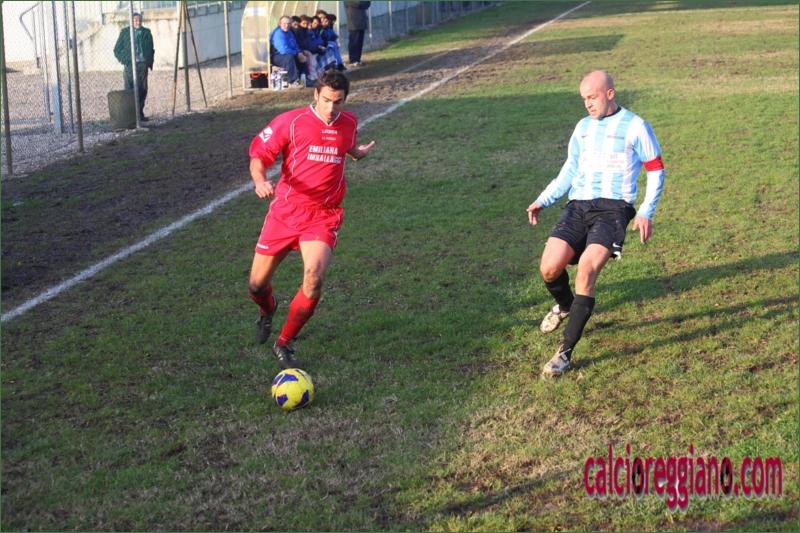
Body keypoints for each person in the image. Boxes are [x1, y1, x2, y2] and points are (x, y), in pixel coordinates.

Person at [526, 70, 665, 378]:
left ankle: (564, 354)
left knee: (586, 273)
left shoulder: (636, 126)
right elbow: (570, 168)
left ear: (609, 94)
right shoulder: (583, 127)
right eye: (584, 99)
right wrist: (543, 199)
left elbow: (656, 169)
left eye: (592, 97)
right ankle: (566, 306)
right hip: (578, 207)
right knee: (549, 268)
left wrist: (646, 211)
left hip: (614, 211)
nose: (587, 104)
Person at [247, 70, 376, 370]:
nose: (331, 108)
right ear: (315, 94)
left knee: (314, 279)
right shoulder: (290, 122)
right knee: (256, 286)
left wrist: (359, 153)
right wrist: (260, 181)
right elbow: (259, 157)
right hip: (286, 212)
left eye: (338, 102)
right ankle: (268, 308)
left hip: (323, 215)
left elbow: (347, 147)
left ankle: (284, 342)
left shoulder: (349, 122)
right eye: (326, 100)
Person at [113, 12, 154, 121]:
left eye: (139, 20)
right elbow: (116, 50)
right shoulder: (125, 32)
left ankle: (139, 114)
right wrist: (125, 60)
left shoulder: (146, 32)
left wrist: (148, 61)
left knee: (143, 89)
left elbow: (151, 47)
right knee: (129, 89)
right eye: (136, 20)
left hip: (143, 64)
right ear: (131, 22)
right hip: (130, 65)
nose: (138, 22)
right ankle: (130, 116)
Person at [270, 15, 309, 87]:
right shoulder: (278, 33)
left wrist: (299, 53)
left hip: (287, 53)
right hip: (276, 56)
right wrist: (296, 53)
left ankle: (304, 78)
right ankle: (292, 81)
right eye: (284, 23)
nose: (287, 25)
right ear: (280, 24)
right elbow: (283, 50)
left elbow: (295, 45)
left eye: (288, 23)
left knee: (302, 55)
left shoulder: (289, 32)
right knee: (289, 57)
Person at [344, 2, 371, 67]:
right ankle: (353, 60)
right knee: (354, 43)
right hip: (354, 23)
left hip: (361, 22)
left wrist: (364, 4)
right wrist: (364, 4)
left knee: (359, 43)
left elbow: (368, 3)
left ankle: (358, 59)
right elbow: (358, 4)